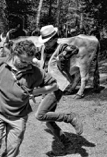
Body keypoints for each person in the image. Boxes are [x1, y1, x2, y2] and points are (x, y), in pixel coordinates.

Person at [0, 40, 59, 157]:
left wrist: (35, 91)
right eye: (23, 61)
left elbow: (54, 85)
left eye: (29, 62)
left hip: (19, 116)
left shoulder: (35, 72)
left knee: (13, 149)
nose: (27, 65)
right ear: (14, 54)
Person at [36, 25, 83, 154]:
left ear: (54, 38)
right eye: (45, 41)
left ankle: (69, 117)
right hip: (45, 86)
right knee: (49, 121)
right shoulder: (43, 49)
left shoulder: (61, 47)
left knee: (40, 115)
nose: (47, 43)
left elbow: (75, 49)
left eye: (49, 40)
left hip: (57, 86)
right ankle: (67, 144)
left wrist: (64, 56)